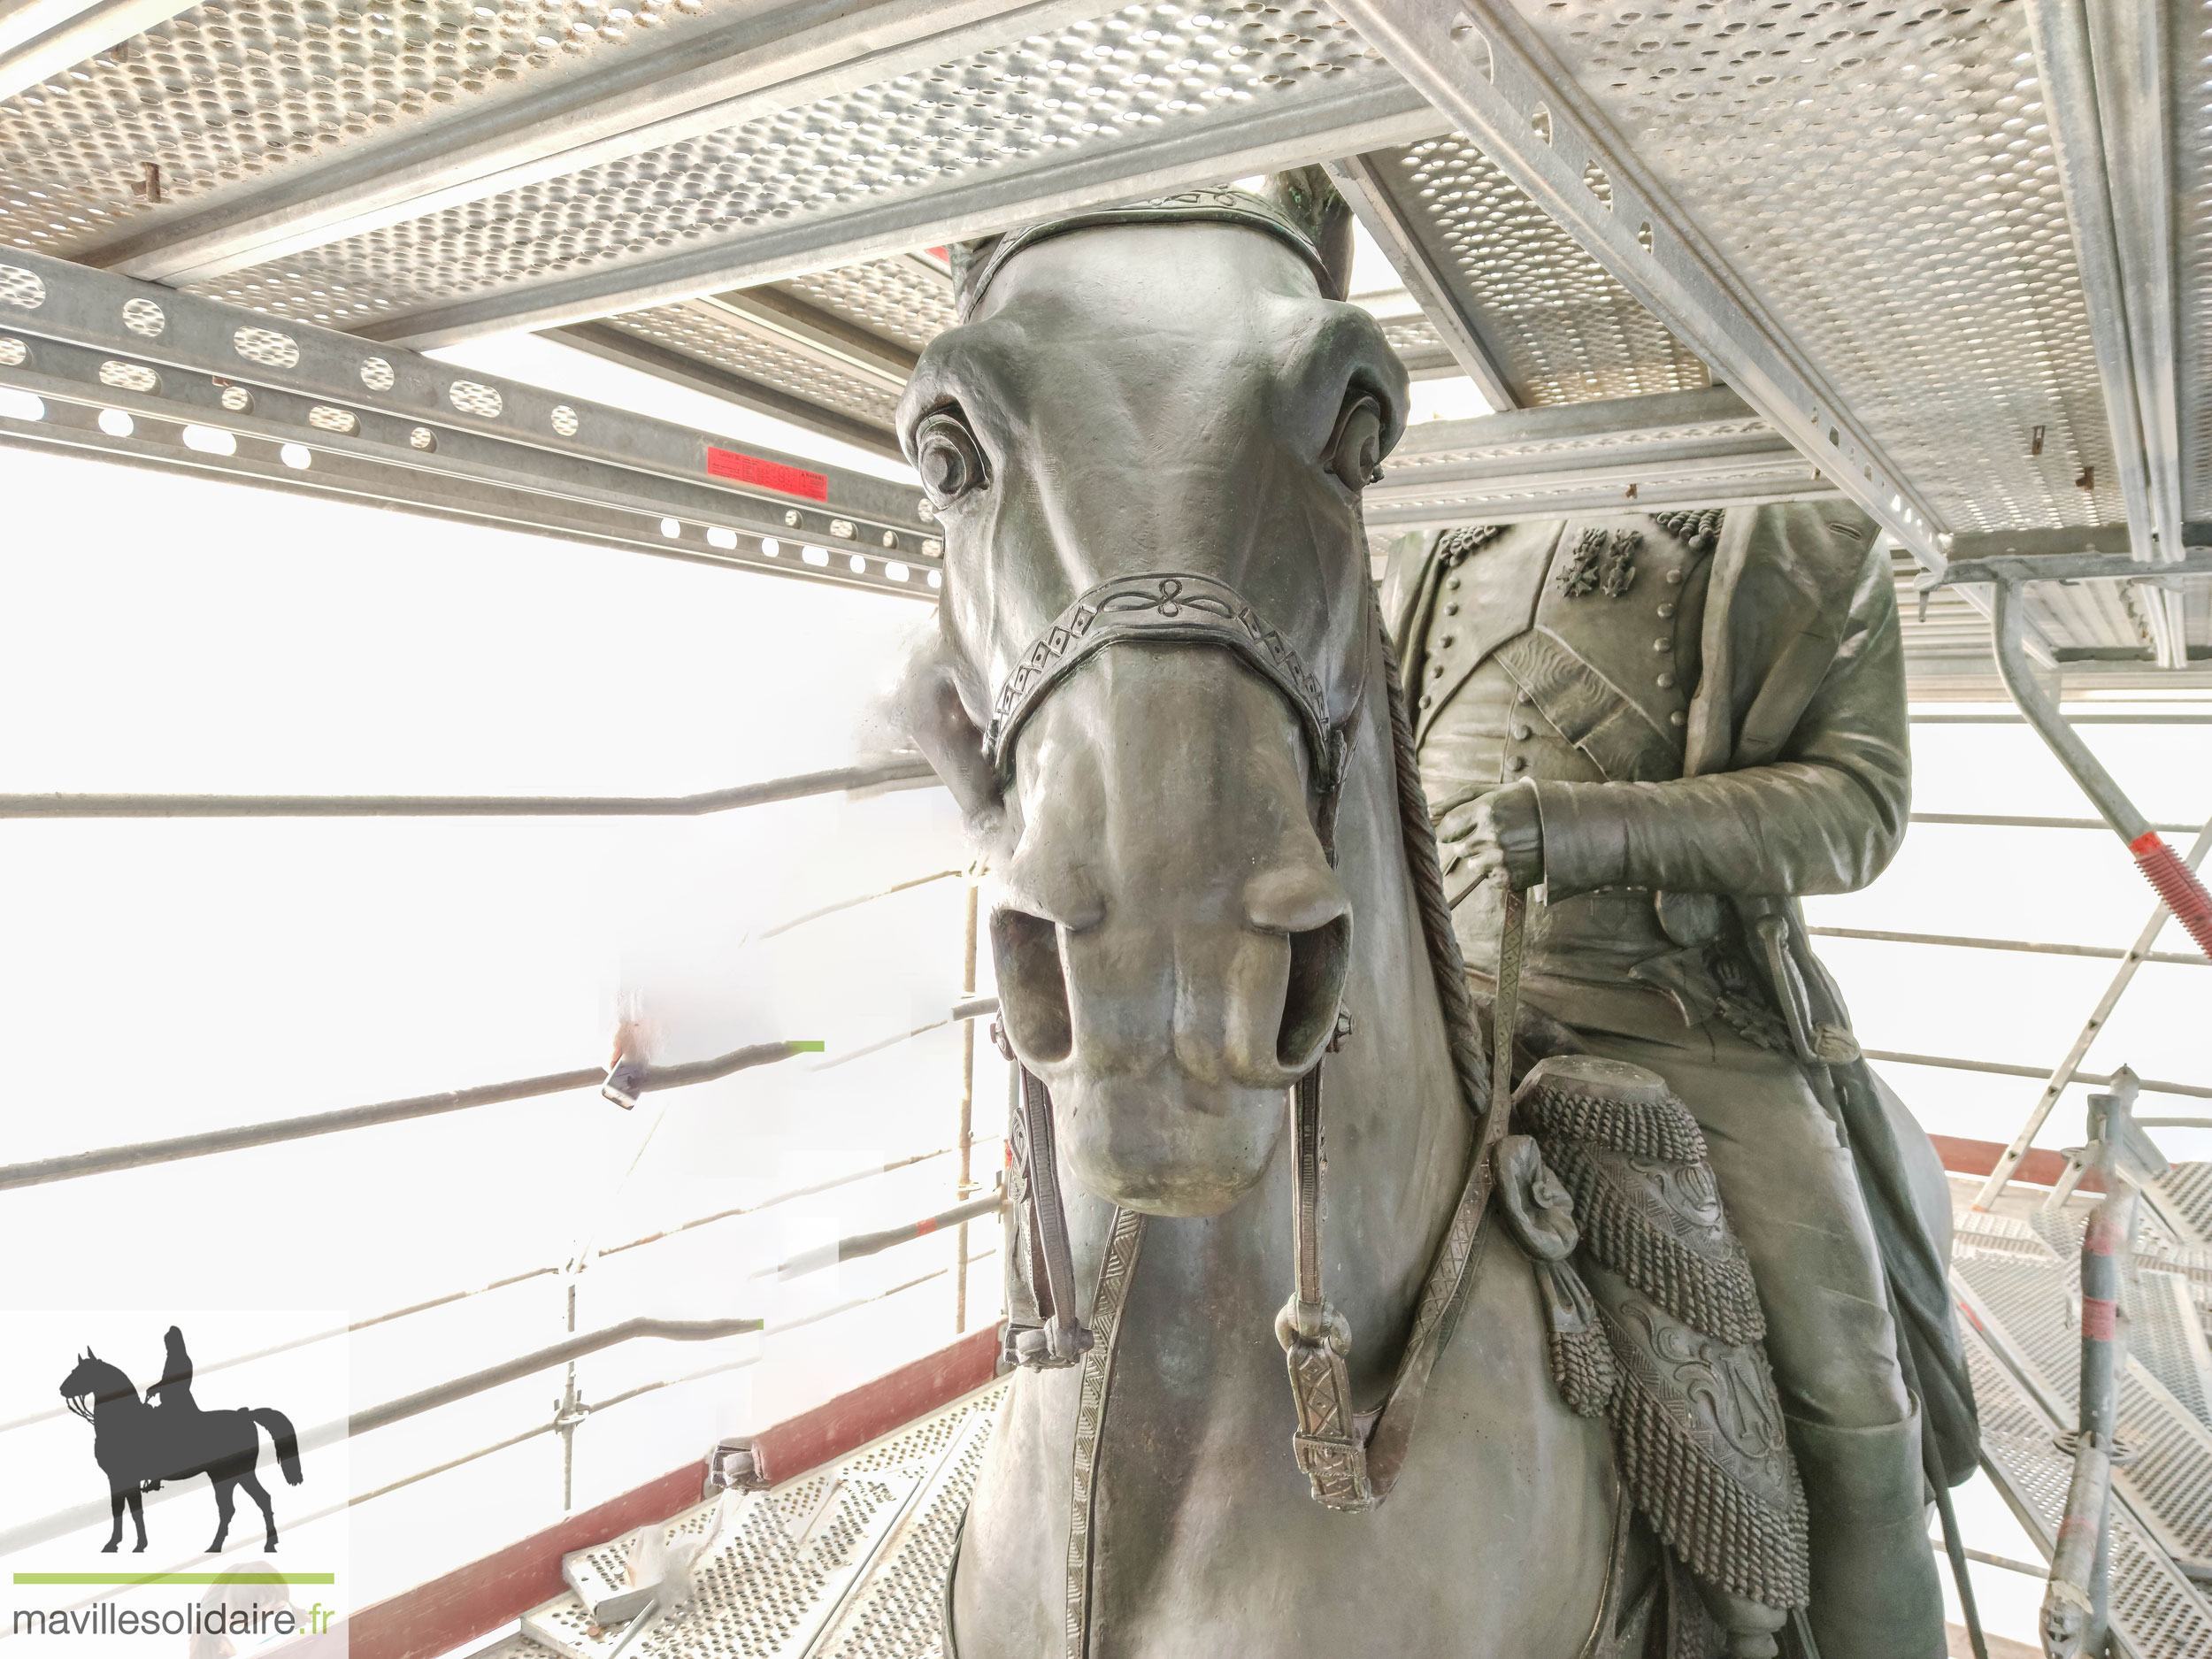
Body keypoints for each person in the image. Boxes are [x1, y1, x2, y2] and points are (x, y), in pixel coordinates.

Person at [1382, 503, 1974, 1659]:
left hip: (1683, 1013)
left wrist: (1593, 828)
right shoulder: (1425, 538)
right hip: (1438, 1002)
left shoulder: (1805, 534)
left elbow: (1860, 806)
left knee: (1849, 1397)